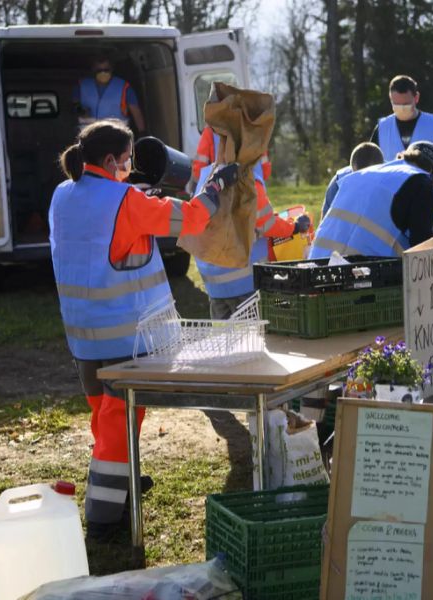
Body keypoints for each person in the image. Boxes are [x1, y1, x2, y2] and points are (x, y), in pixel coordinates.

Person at [49, 119, 238, 539]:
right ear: (114, 159)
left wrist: (137, 198)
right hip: (124, 335)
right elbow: (190, 219)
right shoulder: (127, 200)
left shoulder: (63, 195)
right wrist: (215, 187)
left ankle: (121, 487)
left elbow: (102, 228)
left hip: (82, 334)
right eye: (128, 158)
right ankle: (104, 517)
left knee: (104, 415)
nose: (131, 166)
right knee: (121, 420)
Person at [194, 158, 310, 319]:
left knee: (225, 342)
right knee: (252, 341)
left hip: (214, 285)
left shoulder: (206, 174)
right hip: (245, 283)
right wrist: (295, 227)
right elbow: (267, 224)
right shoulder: (246, 175)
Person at [309, 141, 433, 259]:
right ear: (432, 172)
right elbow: (422, 244)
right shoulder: (422, 182)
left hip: (318, 262)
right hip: (361, 270)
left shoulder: (368, 173)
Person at [370, 75, 433, 229]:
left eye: (405, 104)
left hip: (429, 213)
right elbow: (370, 170)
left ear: (416, 98)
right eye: (396, 104)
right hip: (390, 214)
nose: (401, 108)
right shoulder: (382, 128)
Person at [74, 55, 146, 133]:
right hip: (88, 134)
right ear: (93, 70)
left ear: (112, 69)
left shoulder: (124, 87)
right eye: (99, 70)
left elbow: (136, 112)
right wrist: (81, 111)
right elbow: (74, 105)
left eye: (106, 69)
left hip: (116, 134)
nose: (103, 72)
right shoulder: (82, 85)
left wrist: (142, 133)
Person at [321, 142, 384, 219]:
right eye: (358, 179)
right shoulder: (337, 185)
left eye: (369, 179)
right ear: (352, 169)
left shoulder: (394, 183)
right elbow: (325, 224)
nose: (364, 185)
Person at [193, 125, 271, 184]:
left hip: (222, 196)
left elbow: (198, 172)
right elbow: (265, 173)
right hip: (254, 195)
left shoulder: (211, 129)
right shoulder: (256, 129)